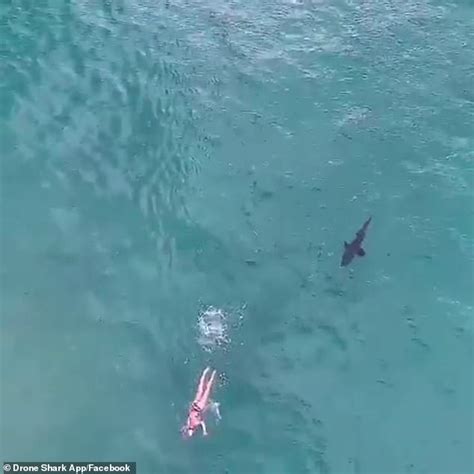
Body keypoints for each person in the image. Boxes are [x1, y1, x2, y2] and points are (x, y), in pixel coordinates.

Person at [182, 367, 219, 438]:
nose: (190, 429)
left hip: (199, 405)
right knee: (202, 388)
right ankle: (206, 373)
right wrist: (204, 431)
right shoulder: (190, 423)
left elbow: (202, 423)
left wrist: (204, 431)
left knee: (206, 390)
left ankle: (211, 374)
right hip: (195, 404)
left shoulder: (191, 423)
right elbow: (202, 423)